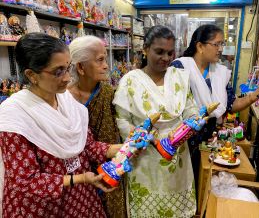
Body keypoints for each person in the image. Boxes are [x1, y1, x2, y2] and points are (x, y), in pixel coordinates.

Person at [0, 33, 124, 217]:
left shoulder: (66, 101)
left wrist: (123, 148)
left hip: (81, 200)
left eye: (68, 68)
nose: (67, 78)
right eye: (58, 71)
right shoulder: (15, 115)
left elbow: (87, 147)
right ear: (31, 75)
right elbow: (24, 182)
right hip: (42, 207)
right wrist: (80, 178)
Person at [113, 25, 198, 217]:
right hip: (144, 155)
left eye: (170, 53)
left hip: (177, 153)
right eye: (159, 52)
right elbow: (123, 121)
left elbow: (190, 108)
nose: (166, 58)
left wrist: (192, 123)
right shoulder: (130, 81)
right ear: (145, 49)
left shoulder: (179, 77)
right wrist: (148, 139)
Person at [171, 24, 259, 185]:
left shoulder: (219, 72)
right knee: (182, 180)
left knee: (201, 180)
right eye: (216, 44)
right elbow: (173, 105)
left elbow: (230, 104)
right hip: (184, 138)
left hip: (208, 139)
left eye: (222, 44)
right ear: (200, 46)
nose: (220, 49)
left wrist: (253, 97)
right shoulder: (181, 67)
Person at [68, 35, 127, 218]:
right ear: (80, 67)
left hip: (110, 167)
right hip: (78, 173)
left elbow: (116, 126)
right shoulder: (65, 99)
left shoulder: (108, 92)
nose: (106, 65)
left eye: (105, 58)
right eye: (100, 60)